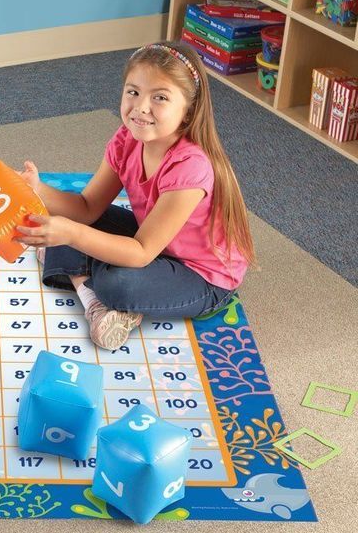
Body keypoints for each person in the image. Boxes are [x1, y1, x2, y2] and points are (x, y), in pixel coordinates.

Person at [16, 41, 255, 351]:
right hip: (155, 241)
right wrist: (37, 188)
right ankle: (93, 301)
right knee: (63, 218)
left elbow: (141, 252)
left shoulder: (190, 167)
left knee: (115, 282)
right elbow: (86, 208)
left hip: (201, 275)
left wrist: (73, 236)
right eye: (133, 92)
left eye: (160, 97)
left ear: (188, 112)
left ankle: (84, 277)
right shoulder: (126, 140)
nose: (141, 107)